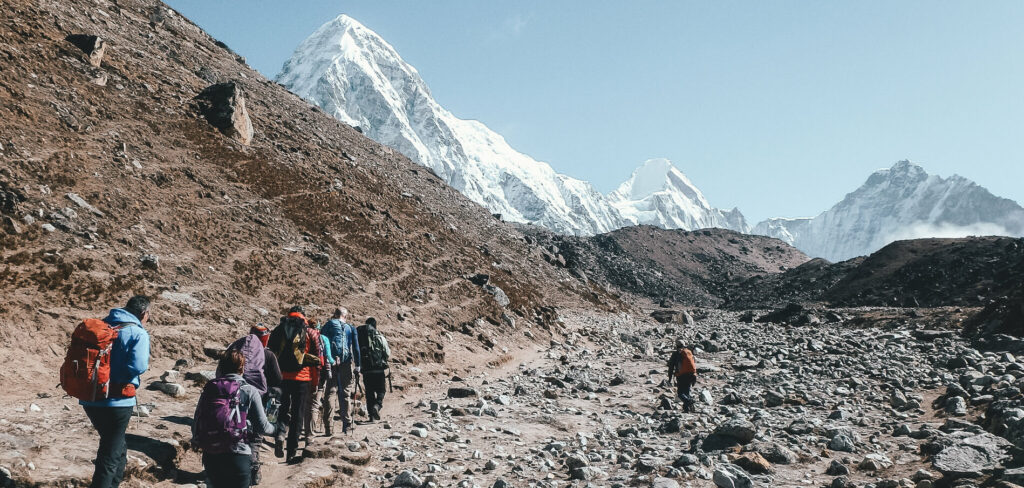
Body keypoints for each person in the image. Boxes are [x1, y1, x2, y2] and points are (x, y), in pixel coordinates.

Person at [79, 295, 151, 488]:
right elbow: (139, 366)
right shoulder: (138, 333)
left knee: (117, 445)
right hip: (118, 401)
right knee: (109, 454)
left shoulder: (102, 325)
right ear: (144, 313)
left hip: (90, 397)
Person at [193, 350, 275, 488]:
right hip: (238, 454)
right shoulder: (249, 390)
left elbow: (197, 420)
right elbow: (262, 426)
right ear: (242, 369)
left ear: (220, 367)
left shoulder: (210, 389)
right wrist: (277, 428)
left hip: (211, 456)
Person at [266, 306, 320, 462]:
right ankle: (291, 451)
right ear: (303, 315)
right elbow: (317, 361)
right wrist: (315, 382)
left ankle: (280, 434)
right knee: (297, 414)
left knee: (282, 409)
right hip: (302, 379)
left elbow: (270, 354)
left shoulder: (279, 329)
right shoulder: (310, 332)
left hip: (282, 377)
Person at [320, 308, 360, 434]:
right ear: (345, 316)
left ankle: (328, 427)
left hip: (331, 362)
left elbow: (321, 342)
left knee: (330, 393)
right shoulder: (350, 328)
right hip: (346, 363)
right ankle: (347, 425)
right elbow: (356, 348)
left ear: (335, 314)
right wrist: (358, 365)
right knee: (345, 393)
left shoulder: (328, 325)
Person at [302, 319, 332, 441]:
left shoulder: (303, 336)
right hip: (319, 374)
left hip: (304, 374)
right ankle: (310, 435)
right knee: (314, 404)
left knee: (306, 403)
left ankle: (306, 430)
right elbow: (328, 357)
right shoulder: (323, 339)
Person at [356, 317, 390, 422]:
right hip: (378, 369)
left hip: (366, 370)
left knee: (369, 393)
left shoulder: (361, 338)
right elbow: (387, 353)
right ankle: (377, 405)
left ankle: (371, 417)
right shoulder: (379, 337)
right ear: (375, 326)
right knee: (381, 390)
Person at [667, 339, 697, 412]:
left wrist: (670, 378)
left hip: (681, 376)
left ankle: (689, 401)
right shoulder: (689, 352)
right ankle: (687, 409)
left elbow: (671, 366)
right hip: (691, 375)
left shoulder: (676, 354)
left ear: (676, 345)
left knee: (680, 394)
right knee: (686, 392)